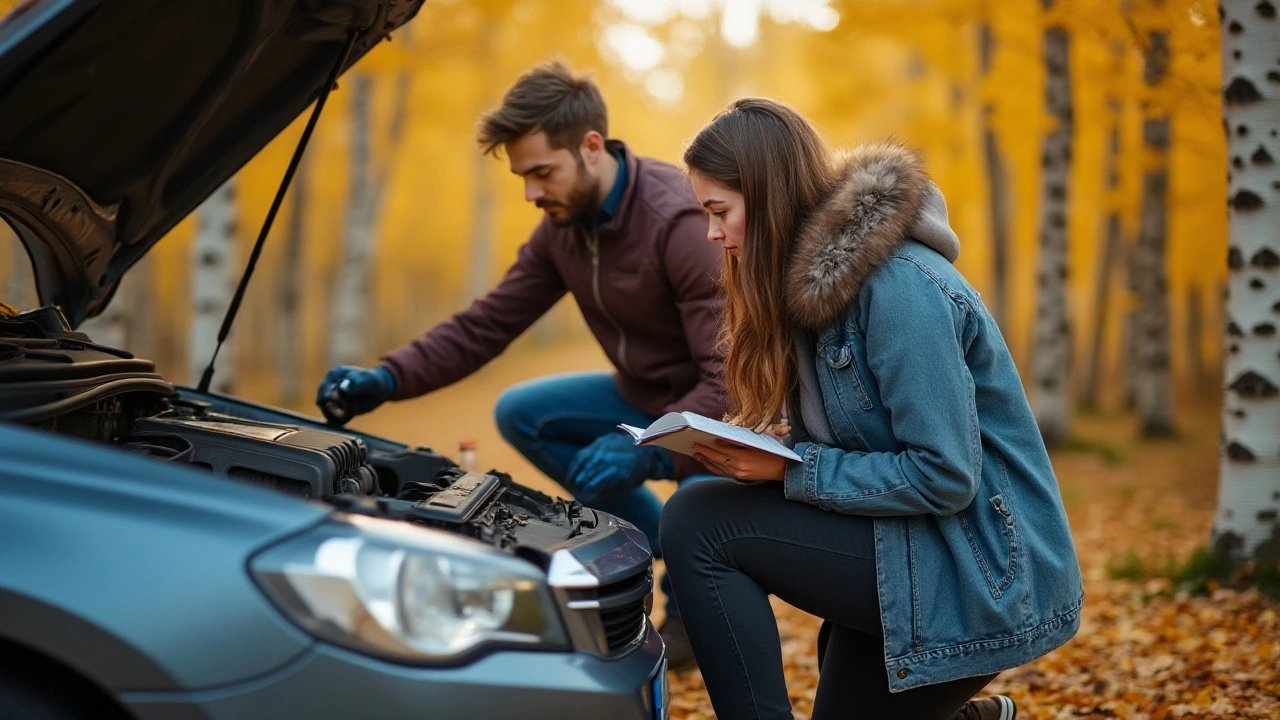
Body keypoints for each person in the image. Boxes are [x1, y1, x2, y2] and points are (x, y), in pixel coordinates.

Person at [660, 98, 1083, 719]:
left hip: (975, 570)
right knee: (706, 509)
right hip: (910, 549)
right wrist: (772, 442)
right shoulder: (810, 292)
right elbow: (870, 439)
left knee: (701, 520)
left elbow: (945, 474)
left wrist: (792, 467)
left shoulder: (900, 288)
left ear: (771, 198)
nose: (712, 232)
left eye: (720, 211)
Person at [315, 61, 725, 667]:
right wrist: (387, 378)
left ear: (590, 147)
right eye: (522, 178)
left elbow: (731, 384)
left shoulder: (679, 221)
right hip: (640, 394)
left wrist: (650, 449)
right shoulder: (560, 230)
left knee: (704, 472)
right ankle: (656, 538)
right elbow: (485, 325)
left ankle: (692, 588)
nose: (532, 193)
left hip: (715, 406)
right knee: (523, 412)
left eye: (542, 173)